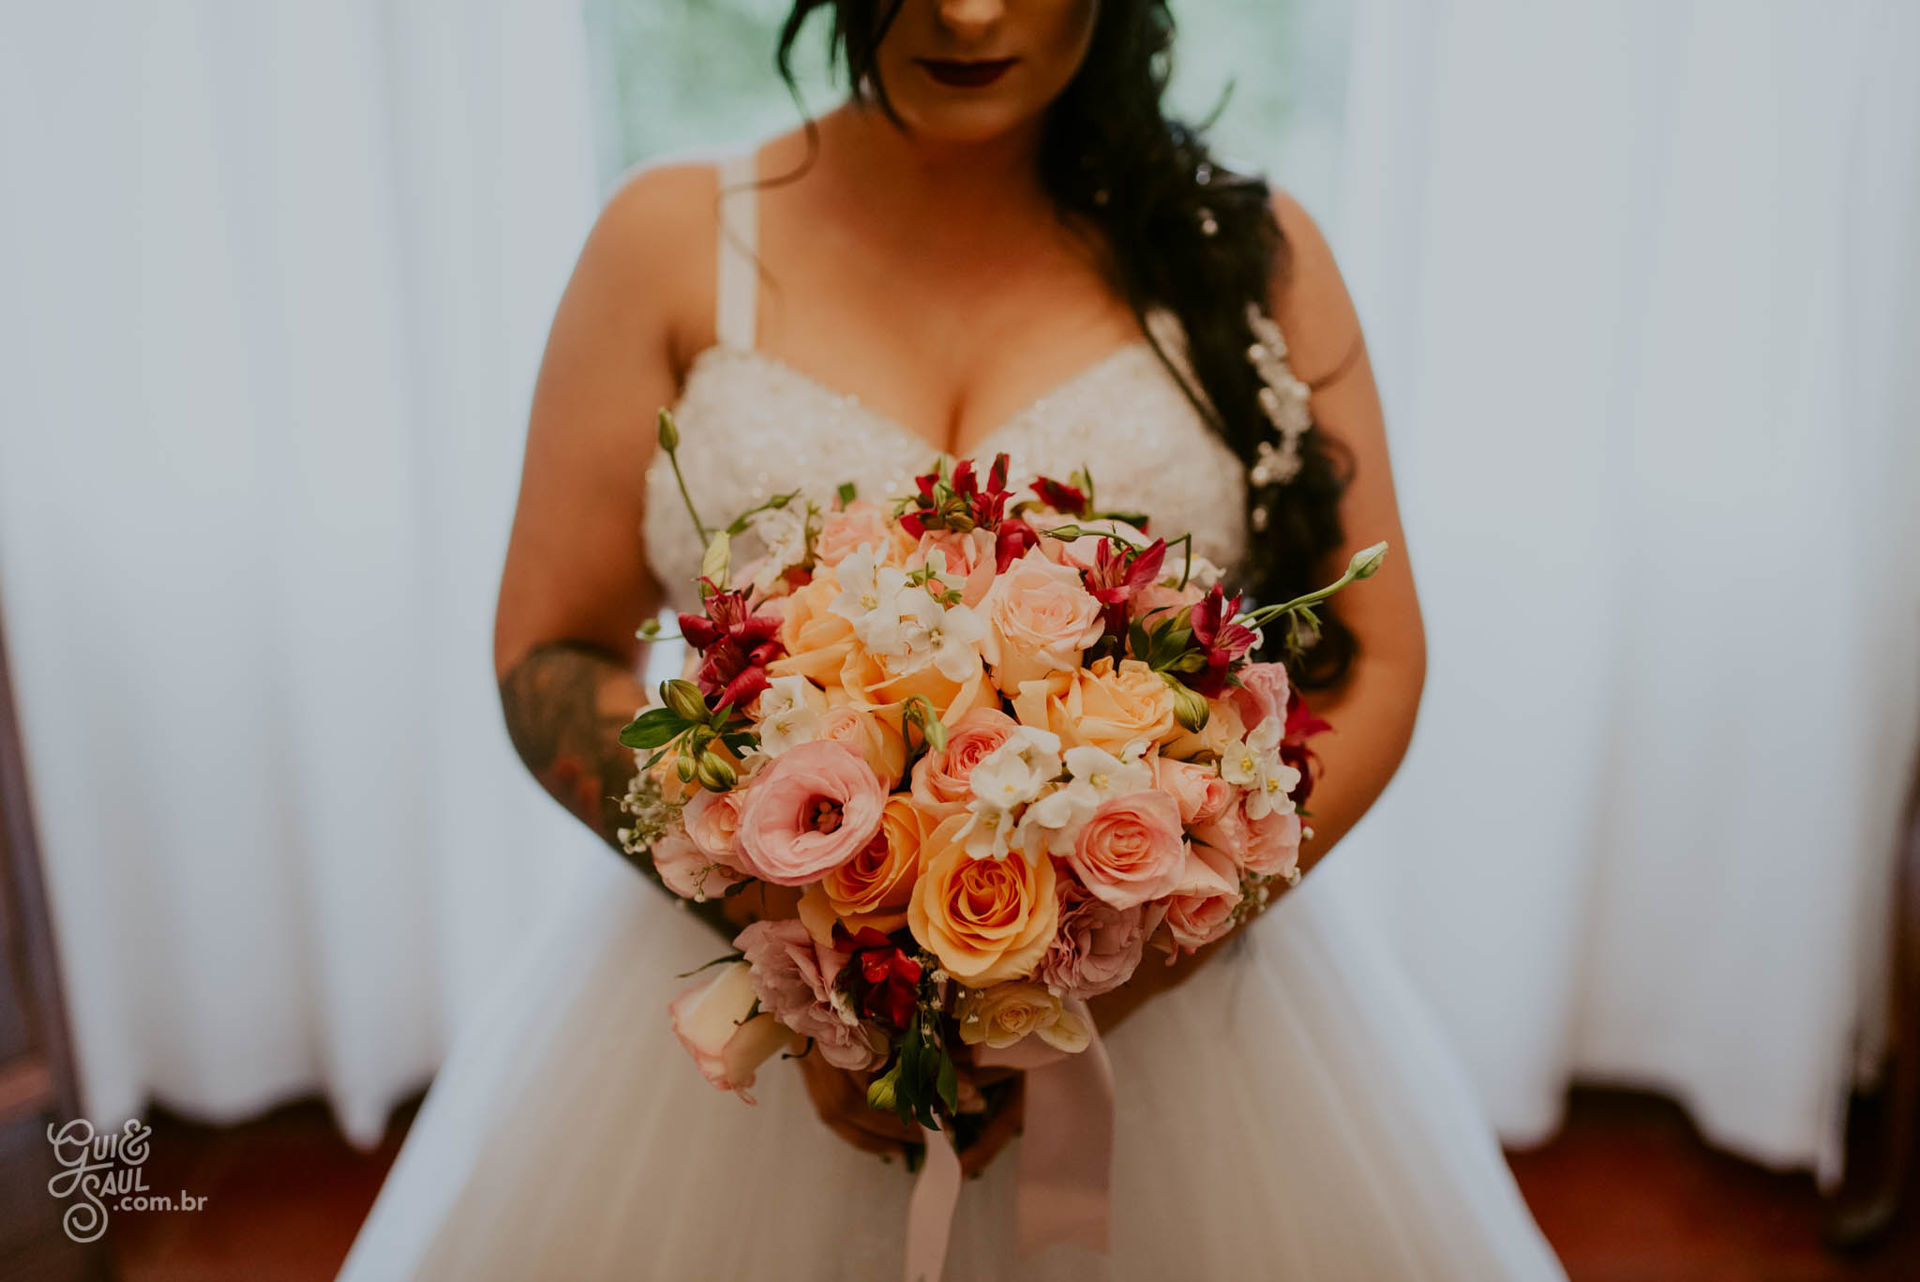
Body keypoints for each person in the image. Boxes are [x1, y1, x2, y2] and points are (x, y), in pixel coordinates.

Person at [339, 2, 1565, 1277]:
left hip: (1174, 1011)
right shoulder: (667, 242)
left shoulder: (1255, 257)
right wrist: (815, 973)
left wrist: (1103, 982)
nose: (970, 10)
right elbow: (553, 653)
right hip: (755, 1001)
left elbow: (1377, 657)